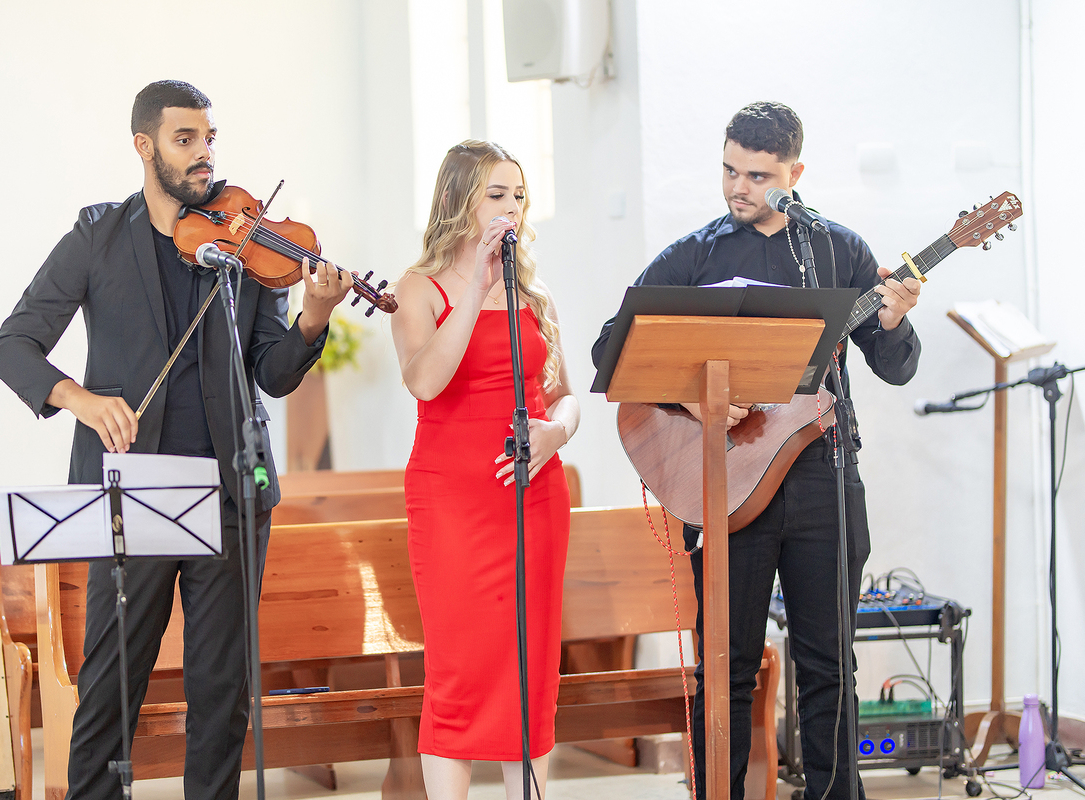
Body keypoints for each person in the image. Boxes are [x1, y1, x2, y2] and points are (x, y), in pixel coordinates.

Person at [0, 80, 352, 800]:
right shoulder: (98, 236)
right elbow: (12, 346)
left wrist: (312, 318)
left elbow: (272, 373)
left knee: (221, 691)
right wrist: (82, 400)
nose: (203, 154)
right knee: (111, 686)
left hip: (231, 491)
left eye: (209, 138)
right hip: (132, 496)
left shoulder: (247, 242)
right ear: (144, 146)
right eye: (185, 139)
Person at [592, 101, 922, 800]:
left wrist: (893, 321)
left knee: (829, 663)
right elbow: (610, 349)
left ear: (795, 175)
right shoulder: (695, 255)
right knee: (727, 664)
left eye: (758, 176)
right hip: (727, 478)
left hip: (823, 475)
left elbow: (894, 366)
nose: (738, 188)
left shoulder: (837, 250)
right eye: (729, 170)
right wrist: (694, 399)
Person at [390, 140, 580, 800]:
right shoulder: (417, 288)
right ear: (456, 200)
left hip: (534, 493)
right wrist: (475, 285)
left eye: (519, 196)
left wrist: (557, 432)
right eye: (496, 195)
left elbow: (564, 394)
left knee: (531, 667)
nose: (511, 209)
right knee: (460, 668)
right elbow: (426, 381)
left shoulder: (534, 294)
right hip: (453, 499)